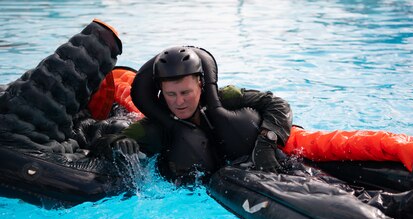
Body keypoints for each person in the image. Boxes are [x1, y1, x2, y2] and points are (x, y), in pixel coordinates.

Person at [100, 46, 292, 183]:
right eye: (171, 94)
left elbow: (278, 104)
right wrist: (117, 144)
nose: (179, 102)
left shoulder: (227, 98)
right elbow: (101, 146)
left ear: (200, 85)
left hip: (256, 165)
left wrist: (267, 142)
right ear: (161, 91)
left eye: (186, 92)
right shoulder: (154, 128)